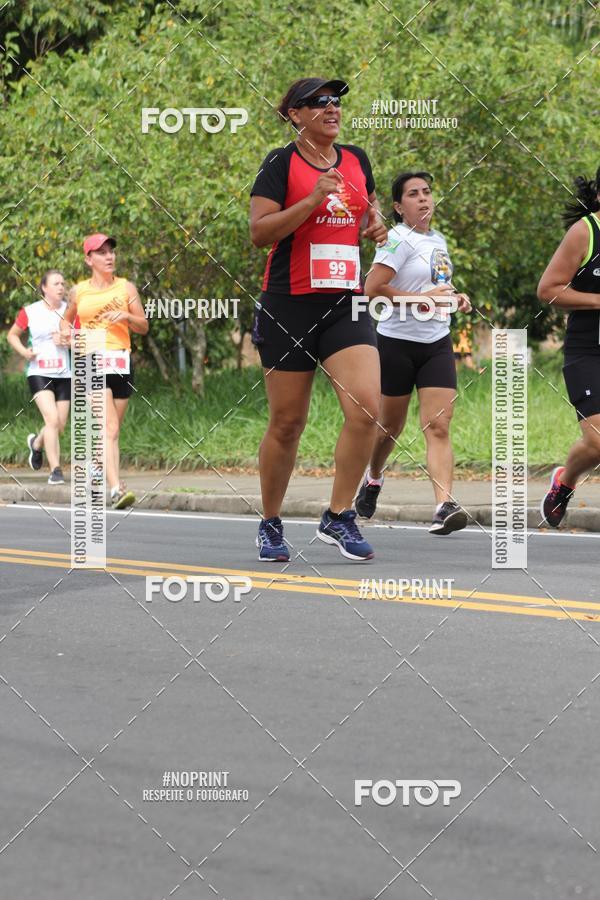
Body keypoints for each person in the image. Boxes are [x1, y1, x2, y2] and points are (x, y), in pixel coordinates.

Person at [250, 76, 387, 561]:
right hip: (289, 303)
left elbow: (365, 214)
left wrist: (374, 224)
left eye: (336, 101)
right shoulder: (279, 163)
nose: (332, 108)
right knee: (288, 422)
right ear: (295, 114)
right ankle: (270, 523)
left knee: (368, 408)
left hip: (344, 302)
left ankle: (338, 515)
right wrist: (310, 201)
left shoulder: (356, 160)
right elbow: (260, 233)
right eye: (319, 102)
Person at [355, 171, 472, 534]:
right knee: (389, 427)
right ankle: (373, 477)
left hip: (436, 342)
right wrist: (420, 300)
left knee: (438, 425)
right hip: (396, 342)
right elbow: (373, 288)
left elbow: (433, 285)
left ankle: (443, 505)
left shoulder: (438, 240)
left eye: (427, 192)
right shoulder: (396, 239)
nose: (423, 199)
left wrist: (455, 297)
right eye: (413, 194)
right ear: (398, 206)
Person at [61, 233, 148, 509]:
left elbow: (143, 326)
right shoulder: (79, 291)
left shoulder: (126, 288)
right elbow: (66, 321)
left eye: (111, 251)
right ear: (89, 259)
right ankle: (116, 489)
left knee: (112, 430)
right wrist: (66, 336)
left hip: (121, 360)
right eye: (101, 253)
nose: (109, 257)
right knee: (108, 426)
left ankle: (95, 468)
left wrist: (126, 316)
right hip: (90, 358)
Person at [538, 166, 600, 527]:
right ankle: (564, 482)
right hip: (587, 351)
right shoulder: (585, 232)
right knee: (597, 443)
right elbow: (549, 290)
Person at [7, 269, 71, 484]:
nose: (61, 287)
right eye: (56, 284)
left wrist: (68, 341)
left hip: (64, 373)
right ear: (44, 287)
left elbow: (79, 338)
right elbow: (12, 335)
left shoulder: (69, 311)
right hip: (39, 372)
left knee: (59, 424)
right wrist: (24, 352)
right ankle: (55, 470)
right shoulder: (30, 311)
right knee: (51, 419)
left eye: (63, 283)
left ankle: (36, 444)